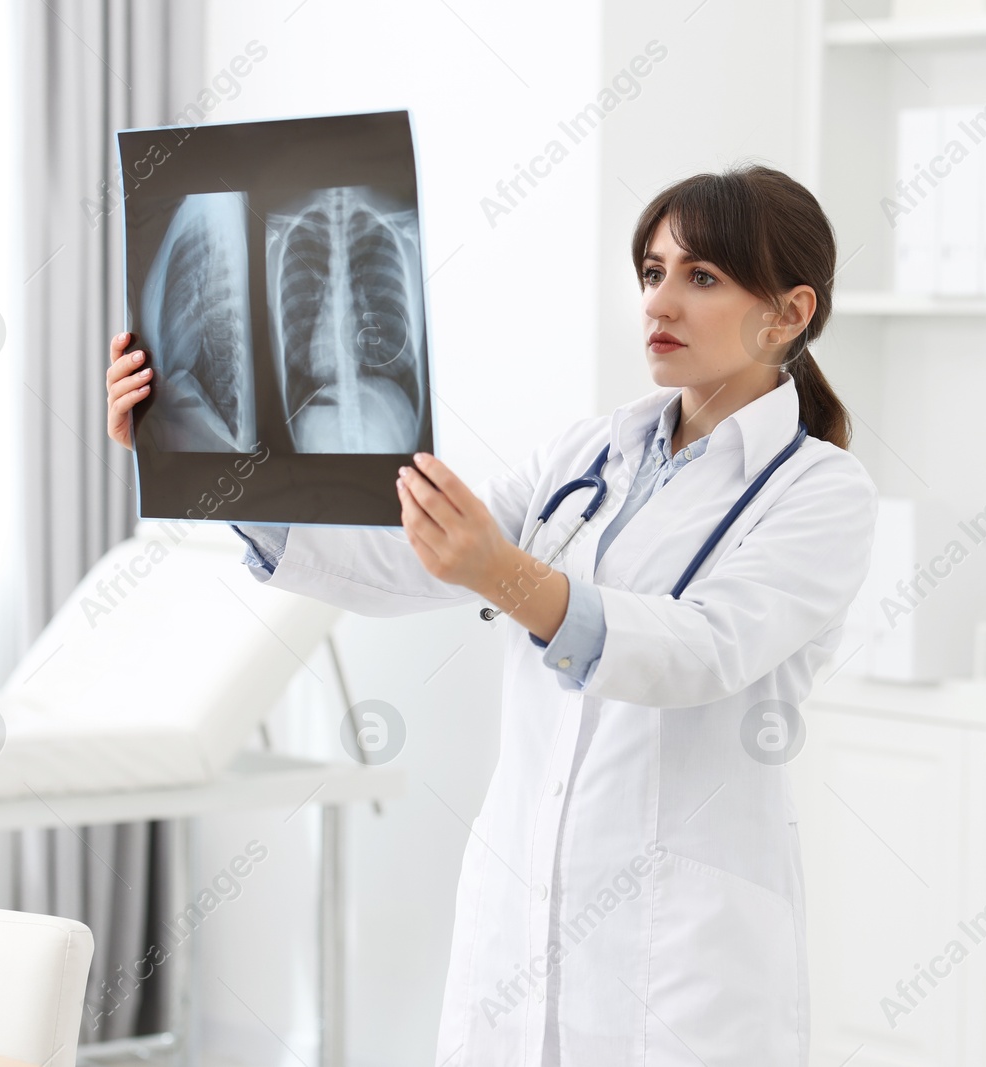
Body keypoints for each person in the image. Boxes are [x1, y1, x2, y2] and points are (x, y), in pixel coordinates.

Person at [105, 162, 877, 1065]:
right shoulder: (588, 453)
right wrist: (197, 455)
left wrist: (500, 571)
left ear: (789, 312)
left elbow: (700, 650)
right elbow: (409, 558)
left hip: (685, 953)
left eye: (701, 276)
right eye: (652, 272)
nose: (660, 301)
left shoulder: (821, 490)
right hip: (524, 905)